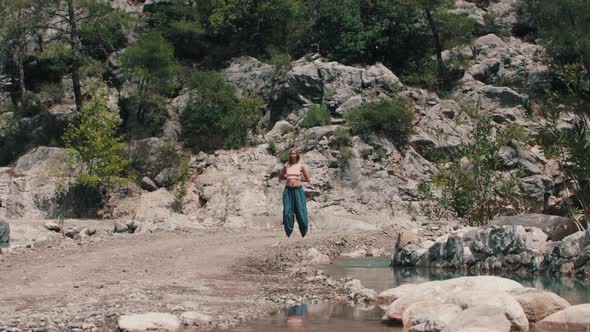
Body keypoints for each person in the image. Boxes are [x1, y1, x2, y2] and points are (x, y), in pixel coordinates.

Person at [278, 148, 311, 237]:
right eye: (291, 154)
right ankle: (288, 232)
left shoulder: (301, 166)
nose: (293, 155)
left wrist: (298, 178)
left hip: (298, 190)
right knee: (287, 212)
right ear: (289, 155)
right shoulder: (286, 166)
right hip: (288, 191)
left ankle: (304, 231)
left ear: (297, 155)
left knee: (301, 211)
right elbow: (280, 178)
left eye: (294, 154)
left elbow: (308, 179)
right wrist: (289, 178)